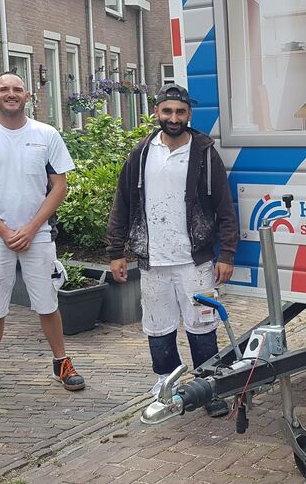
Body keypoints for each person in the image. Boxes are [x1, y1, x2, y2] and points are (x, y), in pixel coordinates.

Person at [106, 83, 238, 417]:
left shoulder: (204, 152)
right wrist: (115, 251)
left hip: (195, 260)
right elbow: (122, 203)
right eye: (167, 111)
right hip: (153, 261)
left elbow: (224, 206)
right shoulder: (141, 153)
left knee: (202, 325)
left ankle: (209, 387)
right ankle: (167, 385)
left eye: (180, 112)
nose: (174, 118)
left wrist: (227, 253)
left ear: (189, 114)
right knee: (158, 326)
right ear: (157, 113)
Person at [0, 71, 85, 404]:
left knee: (48, 303)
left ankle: (61, 363)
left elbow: (59, 186)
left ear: (27, 96)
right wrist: (4, 230)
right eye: (4, 89)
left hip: (38, 235)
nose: (10, 94)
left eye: (17, 89)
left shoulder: (46, 134)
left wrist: (30, 228)